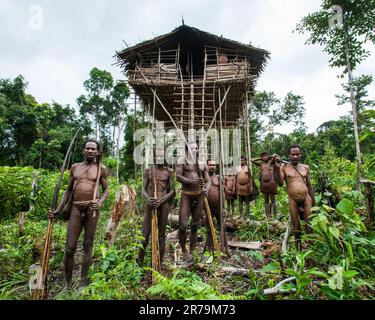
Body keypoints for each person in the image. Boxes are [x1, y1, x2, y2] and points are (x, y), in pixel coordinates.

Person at [48, 139, 109, 288]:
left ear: (97, 152)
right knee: (69, 248)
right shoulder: (75, 167)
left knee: (88, 245)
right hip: (75, 208)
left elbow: (106, 190)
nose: (90, 151)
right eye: (87, 148)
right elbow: (68, 190)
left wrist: (99, 202)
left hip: (91, 210)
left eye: (93, 149)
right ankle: (67, 283)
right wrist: (58, 209)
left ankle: (83, 281)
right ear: (83, 150)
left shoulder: (101, 168)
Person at [137, 149, 175, 266]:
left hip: (163, 206)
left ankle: (159, 262)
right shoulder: (148, 170)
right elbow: (143, 189)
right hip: (150, 205)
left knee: (161, 235)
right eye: (157, 156)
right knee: (145, 235)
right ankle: (140, 262)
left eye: (161, 156)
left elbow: (172, 191)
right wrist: (149, 199)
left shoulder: (169, 172)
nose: (159, 158)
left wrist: (161, 200)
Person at [274, 144, 315, 250]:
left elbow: (310, 187)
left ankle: (311, 248)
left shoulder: (306, 168)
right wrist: (277, 168)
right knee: (296, 226)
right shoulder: (284, 167)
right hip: (293, 200)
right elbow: (280, 183)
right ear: (289, 155)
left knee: (309, 224)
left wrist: (314, 204)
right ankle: (298, 249)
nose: (295, 156)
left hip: (306, 199)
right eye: (293, 154)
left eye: (297, 154)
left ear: (301, 154)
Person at [176, 142, 209, 262]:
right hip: (187, 195)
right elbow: (178, 176)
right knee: (183, 225)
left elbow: (207, 180)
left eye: (196, 148)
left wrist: (206, 188)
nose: (195, 150)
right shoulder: (181, 161)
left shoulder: (202, 163)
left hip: (199, 195)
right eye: (192, 148)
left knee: (195, 224)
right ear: (187, 150)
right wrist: (192, 182)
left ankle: (192, 250)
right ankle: (184, 250)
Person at [205, 160, 230, 256]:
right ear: (207, 166)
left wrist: (224, 208)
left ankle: (225, 248)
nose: (212, 166)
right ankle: (210, 249)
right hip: (207, 208)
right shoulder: (204, 177)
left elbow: (222, 193)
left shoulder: (219, 177)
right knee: (209, 228)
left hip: (218, 206)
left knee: (222, 227)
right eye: (210, 165)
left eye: (214, 165)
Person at [251, 151, 278, 218]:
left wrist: (270, 157)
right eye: (263, 156)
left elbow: (275, 155)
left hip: (271, 184)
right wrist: (260, 158)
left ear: (268, 157)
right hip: (264, 185)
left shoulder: (271, 163)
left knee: (273, 200)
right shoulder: (261, 164)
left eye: (266, 156)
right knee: (266, 201)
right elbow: (252, 160)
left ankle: (275, 216)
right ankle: (267, 216)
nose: (264, 157)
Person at [235, 156, 253, 223]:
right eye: (240, 160)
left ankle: (248, 217)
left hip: (246, 186)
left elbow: (250, 178)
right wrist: (234, 187)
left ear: (245, 161)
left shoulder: (247, 168)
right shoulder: (237, 168)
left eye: (243, 160)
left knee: (247, 202)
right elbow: (235, 178)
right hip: (239, 186)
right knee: (240, 202)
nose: (241, 161)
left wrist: (251, 186)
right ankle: (241, 216)